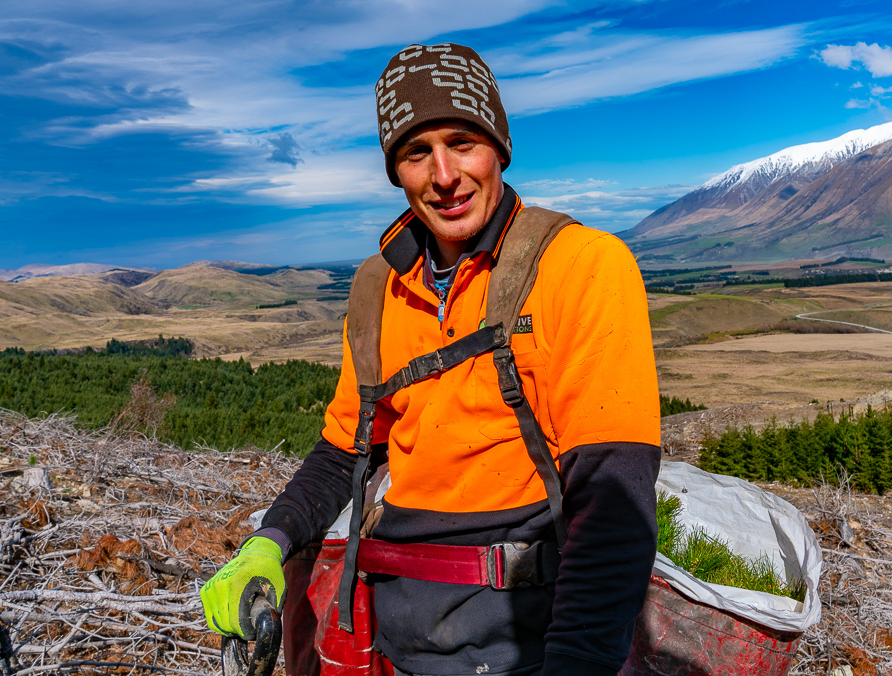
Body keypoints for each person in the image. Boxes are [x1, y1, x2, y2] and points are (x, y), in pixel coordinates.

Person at [201, 42, 661, 676]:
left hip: (530, 643)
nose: (444, 176)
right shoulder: (375, 291)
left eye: (463, 141)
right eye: (417, 153)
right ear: (397, 170)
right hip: (394, 641)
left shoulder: (583, 266)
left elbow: (614, 493)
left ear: (499, 146)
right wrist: (267, 542)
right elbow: (344, 454)